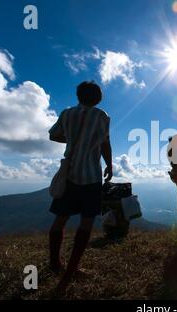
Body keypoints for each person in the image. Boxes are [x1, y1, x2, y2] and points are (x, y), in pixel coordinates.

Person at [48, 81, 113, 293]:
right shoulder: (102, 116)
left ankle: (55, 263)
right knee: (86, 223)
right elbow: (105, 142)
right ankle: (71, 270)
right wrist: (110, 165)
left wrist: (73, 140)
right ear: (98, 98)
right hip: (91, 176)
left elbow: (53, 135)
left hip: (69, 174)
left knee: (60, 219)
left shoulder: (67, 114)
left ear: (78, 96)